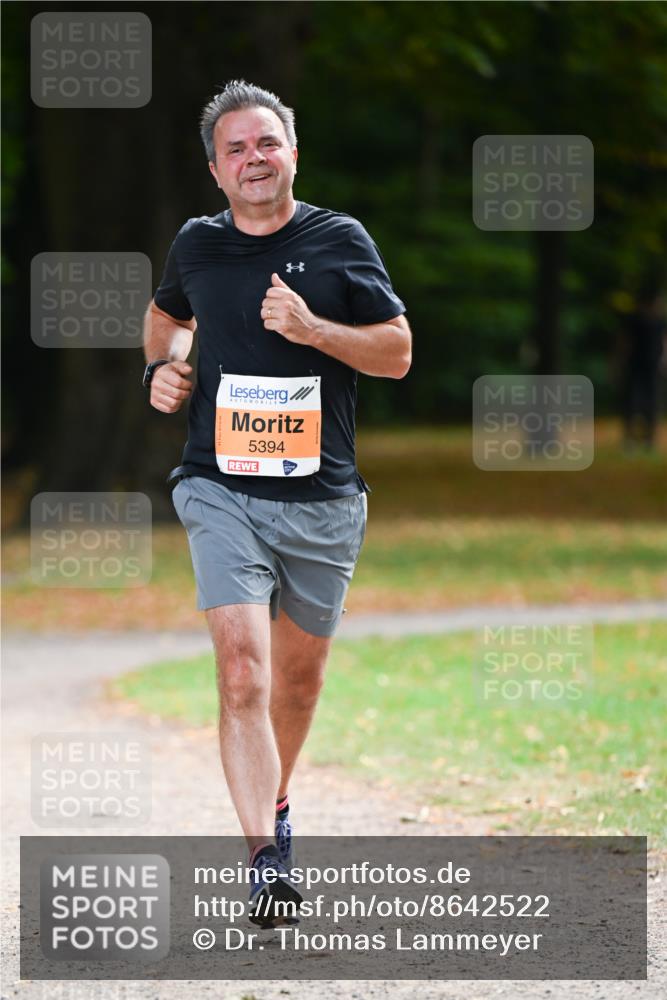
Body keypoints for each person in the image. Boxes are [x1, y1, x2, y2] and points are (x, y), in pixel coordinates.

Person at [142, 80, 411, 927]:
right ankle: (262, 859)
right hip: (218, 486)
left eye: (267, 144)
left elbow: (397, 353)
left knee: (295, 683)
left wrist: (315, 331)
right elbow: (163, 319)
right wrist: (163, 371)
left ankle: (278, 803)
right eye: (236, 150)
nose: (253, 160)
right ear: (215, 171)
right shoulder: (197, 244)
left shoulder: (340, 240)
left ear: (292, 152)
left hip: (323, 500)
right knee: (244, 671)